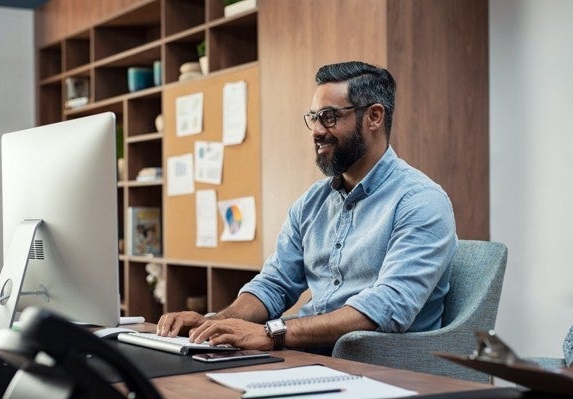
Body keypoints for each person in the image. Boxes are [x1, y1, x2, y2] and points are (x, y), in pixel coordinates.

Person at [157, 61, 457, 354]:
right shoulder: (312, 202)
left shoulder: (421, 201)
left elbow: (387, 307)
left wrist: (273, 333)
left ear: (374, 117)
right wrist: (215, 323)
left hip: (380, 368)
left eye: (328, 117)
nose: (316, 130)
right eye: (313, 118)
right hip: (308, 355)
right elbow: (275, 284)